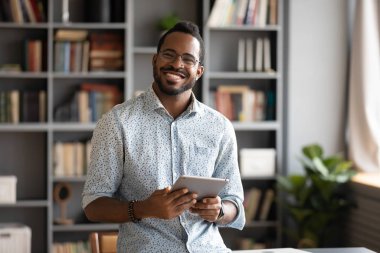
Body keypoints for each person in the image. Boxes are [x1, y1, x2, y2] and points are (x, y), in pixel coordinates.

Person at [82, 21, 245, 252]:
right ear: (155, 60)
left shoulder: (220, 127)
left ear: (198, 71)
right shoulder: (117, 123)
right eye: (169, 54)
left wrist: (219, 211)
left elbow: (235, 205)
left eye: (188, 59)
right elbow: (93, 205)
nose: (177, 64)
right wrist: (144, 208)